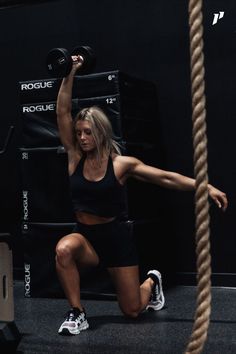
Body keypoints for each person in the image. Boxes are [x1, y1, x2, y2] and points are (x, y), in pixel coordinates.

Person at [55, 55, 228, 336]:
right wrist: (70, 72)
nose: (82, 137)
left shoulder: (121, 164)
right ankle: (77, 312)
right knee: (63, 249)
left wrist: (204, 186)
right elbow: (62, 112)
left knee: (132, 310)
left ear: (100, 132)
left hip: (116, 239)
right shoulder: (75, 157)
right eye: (79, 133)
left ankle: (151, 282)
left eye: (87, 132)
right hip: (86, 237)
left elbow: (166, 177)